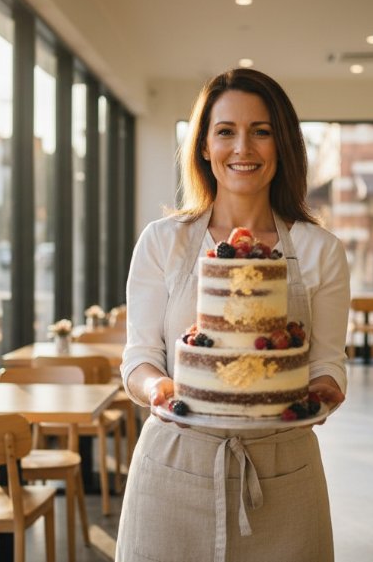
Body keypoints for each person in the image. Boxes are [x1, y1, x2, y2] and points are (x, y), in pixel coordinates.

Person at [117, 68, 351, 562]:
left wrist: (326, 388)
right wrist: (160, 388)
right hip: (175, 463)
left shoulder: (319, 250)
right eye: (226, 131)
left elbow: (328, 361)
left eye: (261, 131)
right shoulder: (164, 241)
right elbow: (140, 357)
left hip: (284, 468)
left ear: (282, 143)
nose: (242, 147)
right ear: (204, 146)